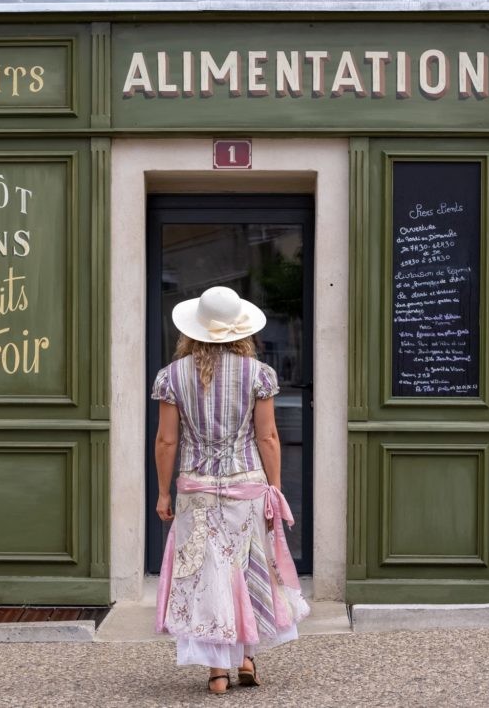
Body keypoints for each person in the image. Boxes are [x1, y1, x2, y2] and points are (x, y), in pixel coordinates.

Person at [151, 286, 310, 695]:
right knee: (245, 570)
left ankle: (216, 671)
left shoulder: (171, 377)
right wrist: (274, 487)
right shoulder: (258, 374)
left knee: (208, 575)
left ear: (193, 330)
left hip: (195, 488)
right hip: (246, 486)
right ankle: (244, 658)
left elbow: (166, 441)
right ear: (240, 330)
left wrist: (163, 493)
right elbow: (269, 436)